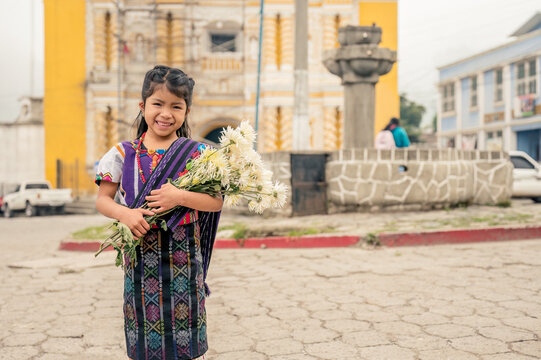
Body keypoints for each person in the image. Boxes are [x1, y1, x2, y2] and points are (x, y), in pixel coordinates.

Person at [95, 65, 223, 360]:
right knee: (143, 332)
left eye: (176, 106)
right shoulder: (122, 154)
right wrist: (125, 215)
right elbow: (103, 200)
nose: (166, 114)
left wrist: (179, 196)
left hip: (183, 260)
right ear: (143, 107)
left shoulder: (198, 154)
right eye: (157, 104)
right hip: (140, 259)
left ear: (186, 111)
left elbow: (215, 202)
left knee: (185, 334)